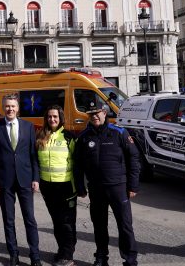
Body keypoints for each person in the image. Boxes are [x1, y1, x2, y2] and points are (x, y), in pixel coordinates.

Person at [73, 102, 140, 266]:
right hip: (96, 188)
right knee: (99, 225)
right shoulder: (84, 137)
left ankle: (130, 259)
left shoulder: (119, 132)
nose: (94, 116)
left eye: (97, 113)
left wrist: (133, 185)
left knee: (125, 225)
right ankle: (101, 257)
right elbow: (77, 164)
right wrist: (80, 187)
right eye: (91, 114)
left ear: (104, 113)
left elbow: (134, 159)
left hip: (118, 187)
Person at [0, 94, 41, 266]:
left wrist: (36, 177)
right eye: (7, 106)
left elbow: (33, 156)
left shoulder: (28, 127)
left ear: (18, 108)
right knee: (8, 220)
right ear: (3, 108)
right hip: (5, 181)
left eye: (13, 106)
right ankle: (13, 254)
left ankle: (35, 255)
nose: (10, 109)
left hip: (25, 179)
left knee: (30, 219)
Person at [37, 105, 78, 266]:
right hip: (47, 186)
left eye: (55, 116)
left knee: (67, 223)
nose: (52, 119)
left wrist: (81, 186)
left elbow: (78, 163)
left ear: (61, 118)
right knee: (56, 222)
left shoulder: (68, 137)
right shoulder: (41, 136)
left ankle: (68, 256)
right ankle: (62, 251)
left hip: (66, 186)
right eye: (49, 117)